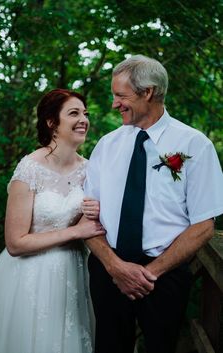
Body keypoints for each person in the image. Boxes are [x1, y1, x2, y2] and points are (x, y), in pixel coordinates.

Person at [84, 55, 223, 353]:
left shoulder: (195, 146)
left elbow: (203, 226)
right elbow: (87, 217)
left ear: (148, 92)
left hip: (164, 276)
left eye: (121, 95)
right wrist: (115, 266)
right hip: (108, 269)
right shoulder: (106, 145)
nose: (113, 104)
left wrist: (150, 274)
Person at [0, 88, 105, 353]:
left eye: (85, 113)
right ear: (52, 122)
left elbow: (97, 220)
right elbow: (15, 243)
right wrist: (76, 232)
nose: (83, 119)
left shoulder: (90, 170)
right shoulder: (29, 168)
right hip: (31, 278)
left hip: (76, 276)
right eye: (73, 113)